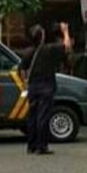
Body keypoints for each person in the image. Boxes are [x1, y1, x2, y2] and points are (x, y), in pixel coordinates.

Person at [21, 22, 72, 155]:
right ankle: (41, 146)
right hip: (46, 87)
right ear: (42, 37)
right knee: (42, 116)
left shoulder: (27, 52)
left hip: (32, 87)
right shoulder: (49, 50)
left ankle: (31, 145)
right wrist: (65, 31)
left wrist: (26, 82)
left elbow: (22, 70)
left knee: (32, 116)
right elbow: (67, 47)